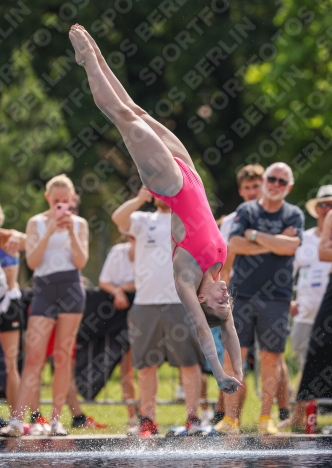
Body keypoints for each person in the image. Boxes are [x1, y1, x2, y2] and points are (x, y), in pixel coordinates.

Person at [68, 24, 242, 400]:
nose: (226, 297)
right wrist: (238, 370)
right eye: (227, 300)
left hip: (171, 185)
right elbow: (230, 330)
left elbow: (204, 330)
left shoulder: (187, 276)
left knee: (122, 117)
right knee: (137, 110)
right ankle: (95, 55)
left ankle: (86, 63)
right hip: (191, 172)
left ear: (204, 301)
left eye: (220, 302)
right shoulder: (215, 270)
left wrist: (219, 371)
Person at [216, 163, 304, 435]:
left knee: (271, 358)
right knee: (234, 356)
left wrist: (254, 235)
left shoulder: (294, 214)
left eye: (282, 181)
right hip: (242, 294)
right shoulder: (247, 210)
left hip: (277, 297)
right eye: (272, 178)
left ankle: (266, 418)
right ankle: (231, 420)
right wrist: (273, 241)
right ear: (265, 179)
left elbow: (290, 247)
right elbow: (236, 244)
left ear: (288, 187)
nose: (275, 184)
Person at [0, 174, 89, 437]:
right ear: (48, 199)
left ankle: (55, 421)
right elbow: (34, 261)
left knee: (62, 358)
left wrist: (70, 231)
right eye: (56, 201)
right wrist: (50, 230)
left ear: (72, 200)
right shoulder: (36, 222)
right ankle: (17, 421)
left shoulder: (80, 224)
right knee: (34, 358)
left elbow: (81, 261)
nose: (61, 206)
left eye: (65, 201)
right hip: (44, 289)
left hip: (71, 288)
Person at [112, 188, 205, 436]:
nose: (162, 194)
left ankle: (193, 419)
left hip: (180, 302)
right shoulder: (143, 219)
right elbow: (118, 219)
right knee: (145, 365)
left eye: (167, 188)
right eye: (158, 189)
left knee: (188, 362)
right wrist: (141, 198)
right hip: (145, 303)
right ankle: (148, 421)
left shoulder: (187, 219)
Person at [291, 187, 332, 431]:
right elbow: (288, 270)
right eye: (323, 204)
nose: (327, 209)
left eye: (331, 204)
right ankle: (300, 416)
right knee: (310, 362)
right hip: (307, 311)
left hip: (322, 304)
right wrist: (288, 300)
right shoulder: (305, 238)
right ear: (317, 208)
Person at [99, 234, 138, 430]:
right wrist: (118, 291)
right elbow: (104, 281)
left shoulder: (153, 252)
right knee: (126, 369)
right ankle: (133, 418)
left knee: (148, 367)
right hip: (120, 314)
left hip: (145, 309)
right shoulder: (117, 252)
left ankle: (147, 416)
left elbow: (147, 281)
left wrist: (121, 287)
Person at [0, 203, 26, 419]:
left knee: (11, 365)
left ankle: (16, 419)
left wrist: (18, 235)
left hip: (8, 304)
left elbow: (31, 242)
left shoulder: (8, 238)